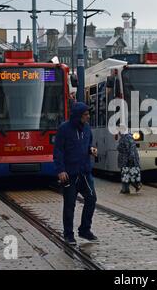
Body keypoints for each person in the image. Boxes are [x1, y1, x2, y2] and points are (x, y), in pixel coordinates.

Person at [53, 102, 98, 245]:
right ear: (78, 116)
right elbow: (58, 151)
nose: (88, 117)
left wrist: (91, 150)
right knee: (69, 205)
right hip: (69, 174)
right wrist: (60, 170)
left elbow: (88, 144)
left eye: (88, 114)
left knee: (91, 198)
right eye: (85, 115)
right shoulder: (64, 129)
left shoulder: (87, 129)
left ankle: (85, 230)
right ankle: (68, 234)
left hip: (84, 172)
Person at [117, 128, 142, 194]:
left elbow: (131, 149)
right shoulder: (124, 137)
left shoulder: (127, 138)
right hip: (125, 160)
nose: (118, 133)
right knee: (126, 175)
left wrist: (131, 159)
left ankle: (133, 187)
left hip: (127, 160)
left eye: (119, 131)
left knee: (127, 174)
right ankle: (125, 189)